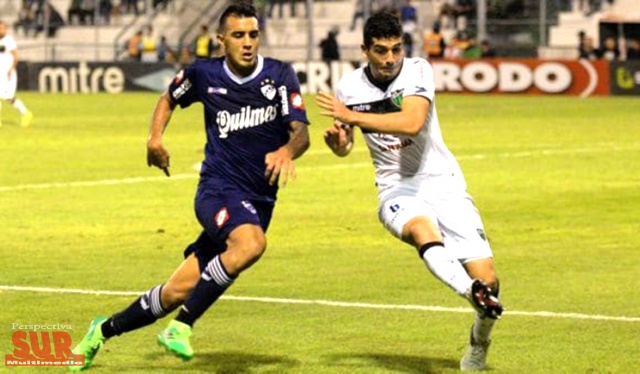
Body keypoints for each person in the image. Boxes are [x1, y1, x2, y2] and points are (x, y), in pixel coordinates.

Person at [68, 3, 310, 371]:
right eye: (239, 35)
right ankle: (180, 327)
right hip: (217, 190)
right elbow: (168, 98)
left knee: (175, 291)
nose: (248, 42)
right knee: (251, 244)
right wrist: (154, 139)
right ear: (222, 40)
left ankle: (100, 331)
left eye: (254, 35)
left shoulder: (279, 75)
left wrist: (287, 150)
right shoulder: (202, 74)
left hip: (259, 202)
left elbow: (302, 133)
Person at [316, 11, 503, 372]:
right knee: (422, 231)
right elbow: (346, 146)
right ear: (365, 50)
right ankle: (469, 292)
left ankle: (478, 344)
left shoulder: (417, 70)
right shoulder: (349, 88)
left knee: (490, 280)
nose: (390, 59)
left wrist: (351, 118)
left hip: (443, 182)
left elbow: (412, 122)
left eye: (395, 49)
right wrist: (338, 142)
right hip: (396, 188)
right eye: (381, 51)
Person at [0, 20, 33, 128]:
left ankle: (26, 113)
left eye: (2, 28)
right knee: (4, 96)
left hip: (7, 73)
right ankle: (25, 113)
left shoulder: (9, 41)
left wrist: (11, 69)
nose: (1, 30)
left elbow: (16, 56)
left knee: (9, 97)